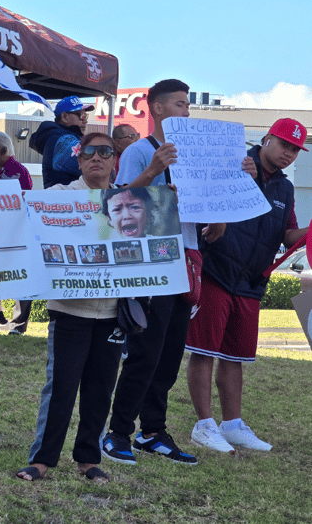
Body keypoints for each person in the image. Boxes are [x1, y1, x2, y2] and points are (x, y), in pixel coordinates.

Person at [101, 79, 227, 467]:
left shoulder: (193, 155)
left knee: (170, 352)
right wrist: (154, 169)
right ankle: (117, 431)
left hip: (186, 258)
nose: (186, 111)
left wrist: (218, 217)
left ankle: (153, 430)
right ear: (156, 108)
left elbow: (204, 201)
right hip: (152, 260)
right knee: (145, 350)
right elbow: (119, 203)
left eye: (188, 105)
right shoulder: (140, 151)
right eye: (179, 104)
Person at [186, 118, 308, 453]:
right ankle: (204, 425)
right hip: (216, 270)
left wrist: (310, 230)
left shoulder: (284, 188)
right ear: (266, 139)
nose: (289, 154)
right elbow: (204, 202)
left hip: (252, 282)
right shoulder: (235, 163)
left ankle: (233, 424)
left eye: (296, 149)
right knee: (204, 351)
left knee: (235, 356)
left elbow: (288, 235)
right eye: (284, 145)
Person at [18, 132, 124, 484]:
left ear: (114, 160)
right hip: (69, 311)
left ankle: (88, 460)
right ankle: (42, 460)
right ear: (79, 162)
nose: (97, 158)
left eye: (104, 152)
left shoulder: (134, 200)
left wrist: (163, 206)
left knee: (100, 388)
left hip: (113, 313)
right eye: (89, 152)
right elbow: (23, 210)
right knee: (61, 386)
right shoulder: (59, 196)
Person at [0, 131, 32, 333]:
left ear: (3, 150)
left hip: (15, 232)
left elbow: (24, 202)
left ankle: (19, 324)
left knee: (21, 277)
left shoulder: (20, 171)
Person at [30, 95, 92, 188]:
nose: (85, 121)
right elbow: (95, 169)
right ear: (64, 117)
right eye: (81, 115)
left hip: (67, 199)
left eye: (85, 116)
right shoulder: (62, 140)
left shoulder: (57, 137)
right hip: (66, 200)